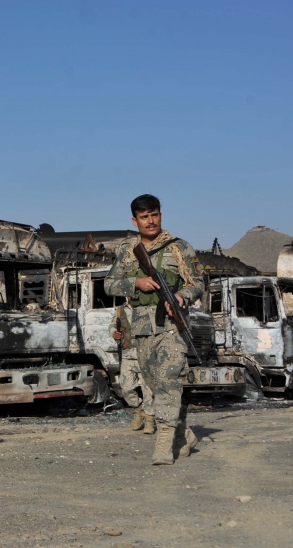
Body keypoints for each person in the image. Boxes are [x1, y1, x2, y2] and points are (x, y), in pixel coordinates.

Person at [104, 195, 202, 465]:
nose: (151, 221)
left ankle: (163, 443)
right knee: (154, 385)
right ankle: (184, 434)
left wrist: (182, 297)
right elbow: (109, 285)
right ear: (135, 220)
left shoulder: (180, 248)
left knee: (169, 380)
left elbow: (198, 283)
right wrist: (136, 283)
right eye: (145, 217)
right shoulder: (128, 251)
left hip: (173, 326)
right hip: (142, 328)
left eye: (155, 215)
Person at [113, 306, 156, 434]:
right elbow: (113, 327)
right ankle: (138, 410)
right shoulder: (121, 310)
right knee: (126, 387)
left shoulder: (148, 307)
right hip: (128, 356)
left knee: (148, 391)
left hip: (145, 357)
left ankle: (149, 420)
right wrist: (114, 333)